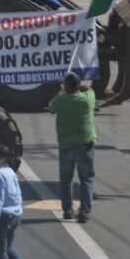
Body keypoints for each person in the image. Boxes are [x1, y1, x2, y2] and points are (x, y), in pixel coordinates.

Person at [48, 73, 96, 222]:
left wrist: (61, 91)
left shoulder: (61, 101)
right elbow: (90, 90)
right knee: (86, 179)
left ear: (66, 86)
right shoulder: (87, 99)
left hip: (66, 145)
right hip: (85, 144)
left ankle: (67, 211)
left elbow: (50, 108)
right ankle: (85, 212)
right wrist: (78, 86)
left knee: (66, 180)